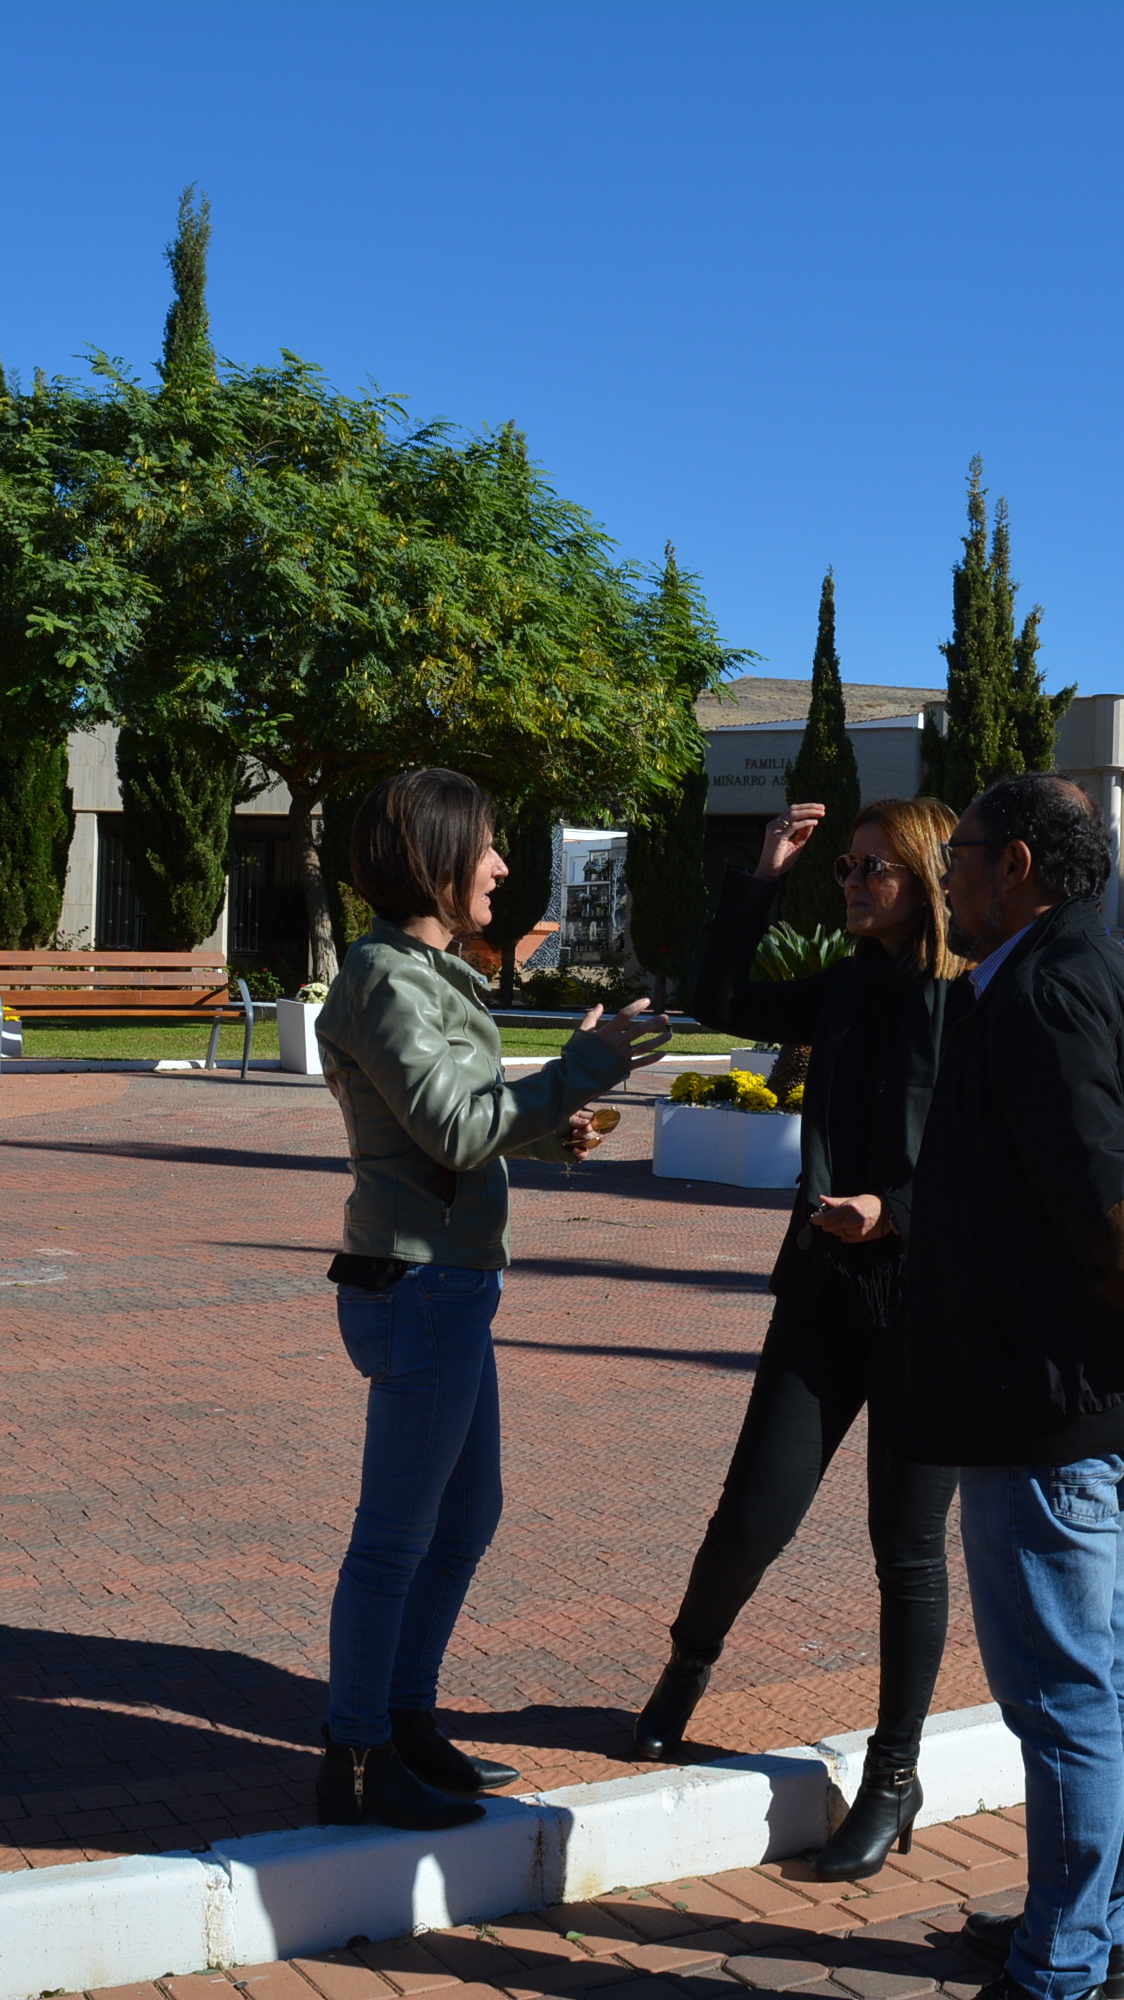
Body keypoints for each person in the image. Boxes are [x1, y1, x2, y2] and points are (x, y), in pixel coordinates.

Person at [903, 773, 1124, 2000]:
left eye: (953, 852)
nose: (941, 874)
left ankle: (1060, 1961)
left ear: (1013, 864)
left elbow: (1116, 1212)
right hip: (1093, 1401)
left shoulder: (1044, 996)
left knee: (1064, 1696)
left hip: (1047, 1407)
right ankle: (1090, 1921)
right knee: (1104, 1677)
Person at [313, 767, 674, 1831]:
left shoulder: (429, 972)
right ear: (434, 855)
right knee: (395, 1534)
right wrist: (577, 1070)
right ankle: (360, 1757)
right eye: (487, 846)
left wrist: (552, 1114)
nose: (504, 866)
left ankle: (405, 1719)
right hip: (420, 1281)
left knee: (465, 1514)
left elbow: (467, 1117)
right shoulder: (387, 979)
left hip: (452, 1280)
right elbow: (458, 1130)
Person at [633, 796, 974, 1878]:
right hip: (826, 1290)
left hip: (929, 1310)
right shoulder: (851, 984)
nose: (855, 883)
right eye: (848, 869)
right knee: (750, 1514)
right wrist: (764, 875)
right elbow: (718, 995)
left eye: (874, 868)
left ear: (925, 875)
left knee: (905, 1553)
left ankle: (891, 1776)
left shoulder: (973, 1003)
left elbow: (996, 1157)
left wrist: (900, 1210)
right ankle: (684, 1673)